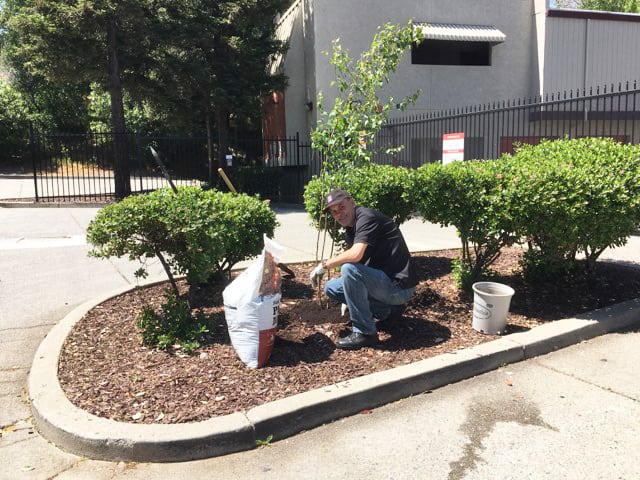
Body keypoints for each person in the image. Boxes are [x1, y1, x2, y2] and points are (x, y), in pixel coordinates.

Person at [309, 189, 418, 350]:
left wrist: (324, 265)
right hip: (383, 283)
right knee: (331, 287)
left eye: (342, 207)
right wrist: (352, 295)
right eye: (334, 211)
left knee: (349, 269)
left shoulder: (366, 217)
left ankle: (365, 333)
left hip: (398, 287)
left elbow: (355, 255)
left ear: (352, 202)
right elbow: (362, 263)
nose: (339, 214)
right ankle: (388, 311)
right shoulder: (351, 228)